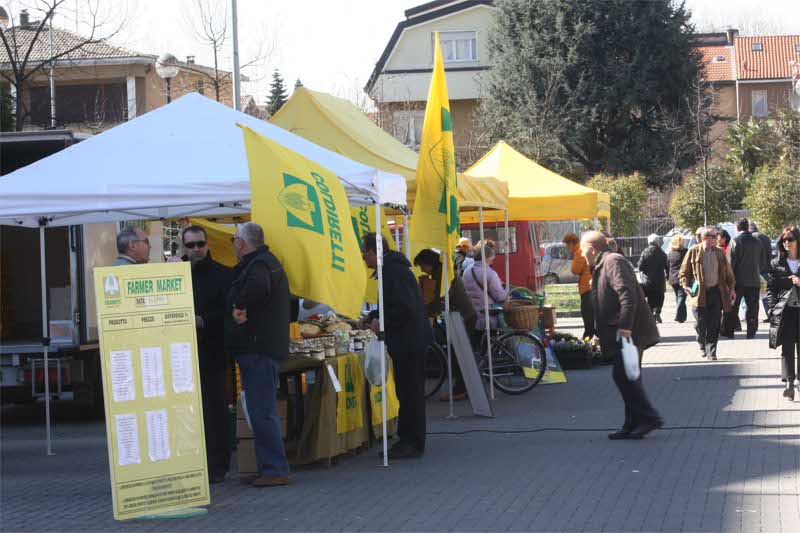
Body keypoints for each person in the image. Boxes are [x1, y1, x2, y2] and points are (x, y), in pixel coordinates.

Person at [225, 222, 291, 486]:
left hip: (259, 347)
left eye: (233, 239)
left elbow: (258, 287)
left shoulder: (260, 265)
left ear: (242, 242)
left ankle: (275, 469)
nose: (232, 244)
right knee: (260, 409)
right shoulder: (264, 261)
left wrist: (239, 306)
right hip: (262, 346)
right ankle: (269, 467)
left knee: (261, 410)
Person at [579, 231, 662, 439]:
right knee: (628, 376)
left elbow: (627, 294)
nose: (581, 254)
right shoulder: (602, 263)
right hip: (623, 332)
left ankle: (648, 418)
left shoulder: (613, 261)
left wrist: (625, 326)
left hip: (629, 332)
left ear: (592, 248)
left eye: (582, 249)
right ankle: (632, 424)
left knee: (624, 375)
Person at [362, 233, 431, 458]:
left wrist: (382, 322)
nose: (363, 257)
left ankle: (412, 441)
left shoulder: (394, 272)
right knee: (407, 391)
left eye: (365, 252)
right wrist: (374, 315)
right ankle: (408, 437)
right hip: (407, 339)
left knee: (410, 391)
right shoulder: (393, 269)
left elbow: (404, 308)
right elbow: (394, 304)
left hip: (409, 341)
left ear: (374, 252)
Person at [178, 225, 233, 483]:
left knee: (216, 407)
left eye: (200, 244)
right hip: (181, 353)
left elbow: (229, 314)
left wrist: (204, 321)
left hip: (212, 350)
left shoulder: (223, 274)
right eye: (190, 246)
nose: (196, 249)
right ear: (183, 247)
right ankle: (192, 462)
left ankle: (218, 464)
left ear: (207, 244)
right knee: (188, 409)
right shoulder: (176, 273)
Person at [413, 249, 476, 402]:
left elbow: (441, 298)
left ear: (429, 263)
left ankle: (460, 390)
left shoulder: (443, 274)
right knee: (458, 353)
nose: (421, 269)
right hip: (460, 314)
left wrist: (428, 312)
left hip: (463, 316)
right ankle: (463, 388)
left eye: (422, 266)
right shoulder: (440, 272)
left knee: (459, 355)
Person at [680, 227, 736, 360]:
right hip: (699, 294)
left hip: (716, 292)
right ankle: (702, 343)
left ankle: (712, 351)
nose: (717, 238)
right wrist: (685, 286)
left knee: (714, 323)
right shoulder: (693, 251)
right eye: (714, 236)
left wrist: (732, 288)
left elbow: (729, 273)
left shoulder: (720, 252)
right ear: (705, 238)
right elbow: (683, 272)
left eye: (716, 236)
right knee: (701, 324)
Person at [766, 226, 800, 401]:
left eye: (791, 239)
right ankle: (789, 383)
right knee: (787, 348)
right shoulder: (776, 263)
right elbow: (770, 288)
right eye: (784, 240)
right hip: (785, 312)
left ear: (797, 241)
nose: (787, 243)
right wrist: (772, 309)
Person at [730, 218, 768, 338]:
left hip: (737, 281)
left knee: (733, 307)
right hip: (754, 280)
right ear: (748, 228)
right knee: (753, 308)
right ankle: (751, 332)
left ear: (737, 228)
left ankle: (730, 330)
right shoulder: (757, 242)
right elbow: (763, 262)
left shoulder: (735, 241)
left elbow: (730, 262)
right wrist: (756, 271)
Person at [462, 241, 509, 332]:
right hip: (488, 315)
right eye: (491, 259)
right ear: (487, 258)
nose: (491, 262)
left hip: (472, 314)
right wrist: (507, 291)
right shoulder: (490, 273)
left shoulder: (467, 270)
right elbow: (500, 296)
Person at [563, 233, 594, 339]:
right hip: (590, 284)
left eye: (568, 246)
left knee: (587, 313)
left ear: (572, 243)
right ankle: (590, 335)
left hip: (586, 286)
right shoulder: (583, 248)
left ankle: (589, 336)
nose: (568, 248)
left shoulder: (578, 252)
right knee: (590, 313)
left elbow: (574, 270)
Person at [638, 234, 669, 324]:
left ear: (648, 242)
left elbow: (640, 266)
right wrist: (667, 276)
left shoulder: (645, 252)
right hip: (659, 279)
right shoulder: (662, 253)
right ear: (657, 242)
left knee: (650, 298)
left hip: (648, 280)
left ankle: (652, 315)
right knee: (660, 297)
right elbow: (667, 266)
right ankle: (657, 311)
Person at [750, 221, 773, 320]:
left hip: (758, 270)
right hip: (767, 269)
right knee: (765, 294)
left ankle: (754, 317)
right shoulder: (764, 236)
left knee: (756, 295)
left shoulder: (753, 237)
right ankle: (770, 315)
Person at [667, 234, 689, 323]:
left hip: (672, 279)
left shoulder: (670, 253)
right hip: (682, 278)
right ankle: (679, 315)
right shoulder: (685, 252)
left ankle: (682, 317)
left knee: (679, 297)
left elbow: (667, 266)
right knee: (681, 297)